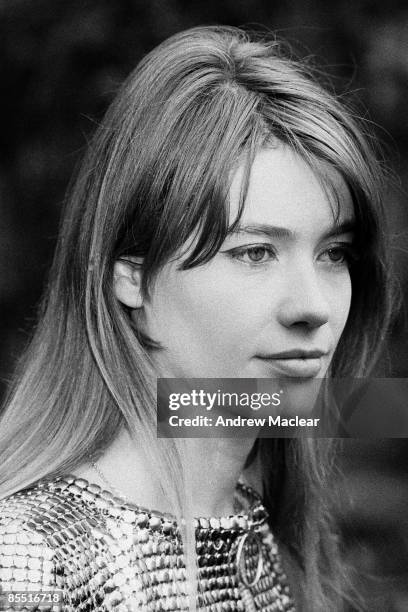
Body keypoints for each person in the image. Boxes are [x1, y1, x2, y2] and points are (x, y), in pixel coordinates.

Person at [0, 25, 393, 612]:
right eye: (254, 252)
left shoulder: (274, 539)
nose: (313, 305)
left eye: (332, 252)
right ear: (130, 278)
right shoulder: (31, 565)